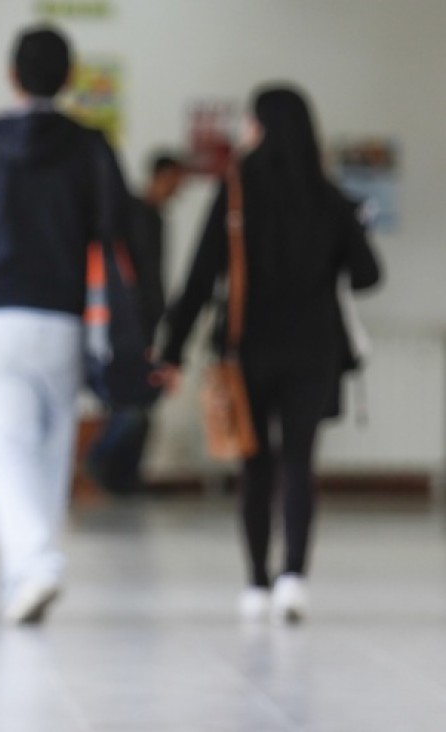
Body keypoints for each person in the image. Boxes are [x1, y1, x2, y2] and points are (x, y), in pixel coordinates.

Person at [0, 23, 131, 624]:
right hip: (64, 321)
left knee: (3, 448)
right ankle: (23, 575)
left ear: (12, 75)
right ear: (69, 78)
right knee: (47, 449)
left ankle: (37, 564)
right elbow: (118, 232)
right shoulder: (92, 147)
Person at [158, 84, 381, 623]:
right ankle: (294, 580)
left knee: (255, 464)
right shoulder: (328, 195)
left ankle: (257, 581)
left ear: (259, 128)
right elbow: (369, 274)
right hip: (315, 349)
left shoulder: (236, 191)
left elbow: (199, 276)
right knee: (300, 463)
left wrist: (172, 350)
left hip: (248, 348)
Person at [85, 153, 185, 496]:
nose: (179, 188)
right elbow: (128, 277)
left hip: (148, 320)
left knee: (142, 400)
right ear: (161, 175)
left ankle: (125, 476)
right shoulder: (132, 215)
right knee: (133, 401)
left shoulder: (155, 218)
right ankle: (101, 460)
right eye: (175, 180)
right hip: (127, 323)